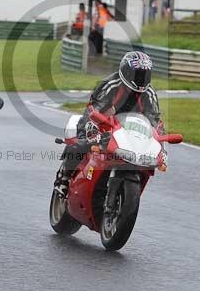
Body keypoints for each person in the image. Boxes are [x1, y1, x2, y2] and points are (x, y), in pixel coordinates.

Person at [53, 51, 162, 197]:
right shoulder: (111, 84)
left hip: (129, 130)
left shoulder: (149, 94)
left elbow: (154, 121)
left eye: (144, 75)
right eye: (136, 74)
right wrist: (90, 129)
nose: (140, 79)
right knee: (81, 142)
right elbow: (93, 109)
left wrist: (159, 144)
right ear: (126, 72)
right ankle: (63, 179)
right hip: (103, 121)